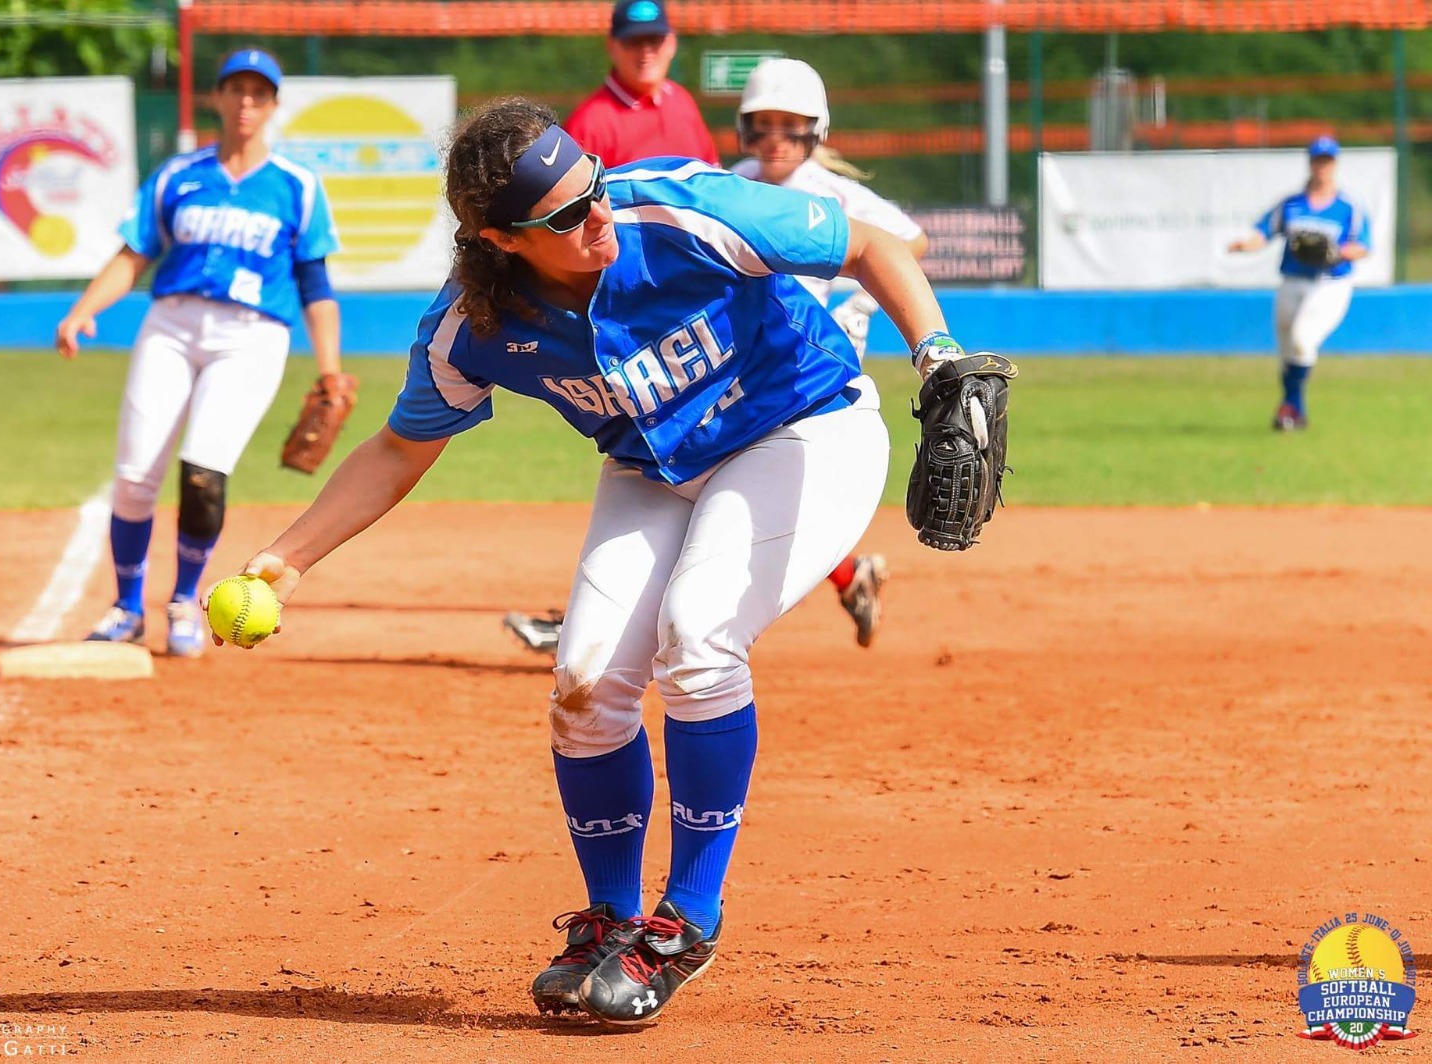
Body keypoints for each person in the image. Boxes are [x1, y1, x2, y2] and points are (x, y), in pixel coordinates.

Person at [213, 99, 986, 1025]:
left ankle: (687, 921)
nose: (598, 215)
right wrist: (285, 561)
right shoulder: (472, 325)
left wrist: (939, 356)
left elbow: (868, 246)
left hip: (804, 426)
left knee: (698, 639)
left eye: (595, 188)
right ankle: (613, 918)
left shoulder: (683, 210)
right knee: (584, 683)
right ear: (499, 238)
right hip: (654, 464)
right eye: (567, 216)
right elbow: (399, 446)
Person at [505, 58, 924, 655]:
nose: (775, 138)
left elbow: (902, 240)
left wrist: (856, 292)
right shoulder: (733, 178)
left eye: (790, 124)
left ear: (816, 129)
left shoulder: (832, 194)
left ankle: (620, 627)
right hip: (726, 358)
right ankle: (607, 621)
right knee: (690, 477)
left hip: (801, 367)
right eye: (762, 124)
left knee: (723, 491)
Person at [56, 48, 342, 657]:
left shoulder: (297, 186)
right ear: (215, 98)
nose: (245, 102)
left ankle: (184, 600)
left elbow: (316, 285)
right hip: (171, 325)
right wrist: (84, 310)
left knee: (204, 474)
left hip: (252, 336)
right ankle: (125, 607)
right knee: (135, 477)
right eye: (235, 89)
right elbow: (134, 254)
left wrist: (330, 367)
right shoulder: (177, 175)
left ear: (272, 105)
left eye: (258, 93)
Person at [1227, 135, 1370, 431]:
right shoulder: (1292, 205)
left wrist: (1337, 253)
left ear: (1335, 165)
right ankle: (1295, 410)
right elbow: (1264, 232)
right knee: (1287, 353)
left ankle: (1289, 407)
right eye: (1318, 160)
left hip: (1328, 284)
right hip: (1292, 282)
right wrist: (1246, 244)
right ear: (1310, 163)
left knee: (1302, 339)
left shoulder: (1348, 208)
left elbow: (1363, 246)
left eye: (1327, 161)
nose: (1322, 167)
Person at [561, 0, 718, 169]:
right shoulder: (588, 124)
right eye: (633, 41)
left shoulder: (682, 100)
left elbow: (713, 178)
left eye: (654, 40)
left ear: (671, 43)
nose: (645, 52)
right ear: (611, 46)